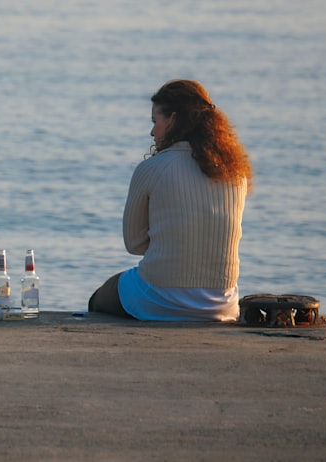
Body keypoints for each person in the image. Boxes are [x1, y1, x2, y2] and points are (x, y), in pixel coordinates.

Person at [89, 79, 252, 322]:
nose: (152, 132)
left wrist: (170, 244)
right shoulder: (235, 173)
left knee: (99, 298)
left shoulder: (151, 169)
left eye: (156, 122)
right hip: (221, 306)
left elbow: (133, 245)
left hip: (159, 298)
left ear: (173, 119)